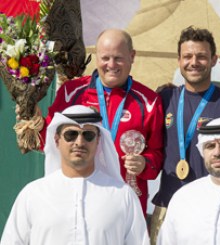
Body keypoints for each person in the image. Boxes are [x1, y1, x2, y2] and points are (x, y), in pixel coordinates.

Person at [31, 28, 164, 215]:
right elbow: (50, 141)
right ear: (96, 56)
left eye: (118, 58)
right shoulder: (72, 92)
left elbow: (157, 155)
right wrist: (31, 120)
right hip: (76, 197)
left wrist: (144, 163)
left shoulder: (149, 101)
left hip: (124, 202)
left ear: (132, 56)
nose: (111, 64)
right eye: (105, 58)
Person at [150, 26, 220, 244]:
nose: (194, 62)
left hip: (214, 210)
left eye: (201, 56)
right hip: (169, 204)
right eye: (187, 56)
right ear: (179, 60)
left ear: (214, 60)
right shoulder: (164, 98)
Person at [0, 105, 149, 244]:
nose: (79, 142)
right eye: (71, 134)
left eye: (88, 135)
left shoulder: (123, 195)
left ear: (98, 141)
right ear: (57, 140)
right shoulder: (33, 194)